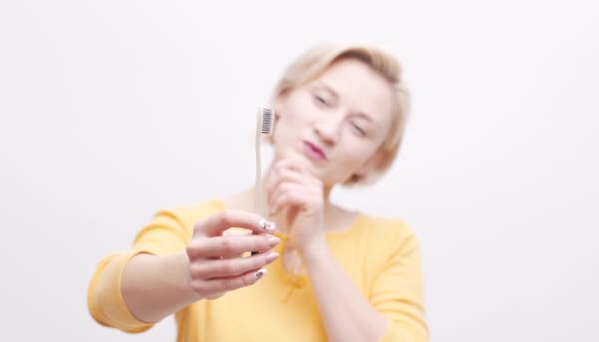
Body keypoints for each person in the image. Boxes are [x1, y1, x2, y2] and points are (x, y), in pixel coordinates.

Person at [87, 43, 428, 342]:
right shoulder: (197, 227)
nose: (328, 130)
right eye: (322, 100)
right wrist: (191, 273)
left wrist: (314, 249)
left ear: (372, 160)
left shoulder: (392, 242)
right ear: (282, 99)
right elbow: (106, 304)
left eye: (358, 127)